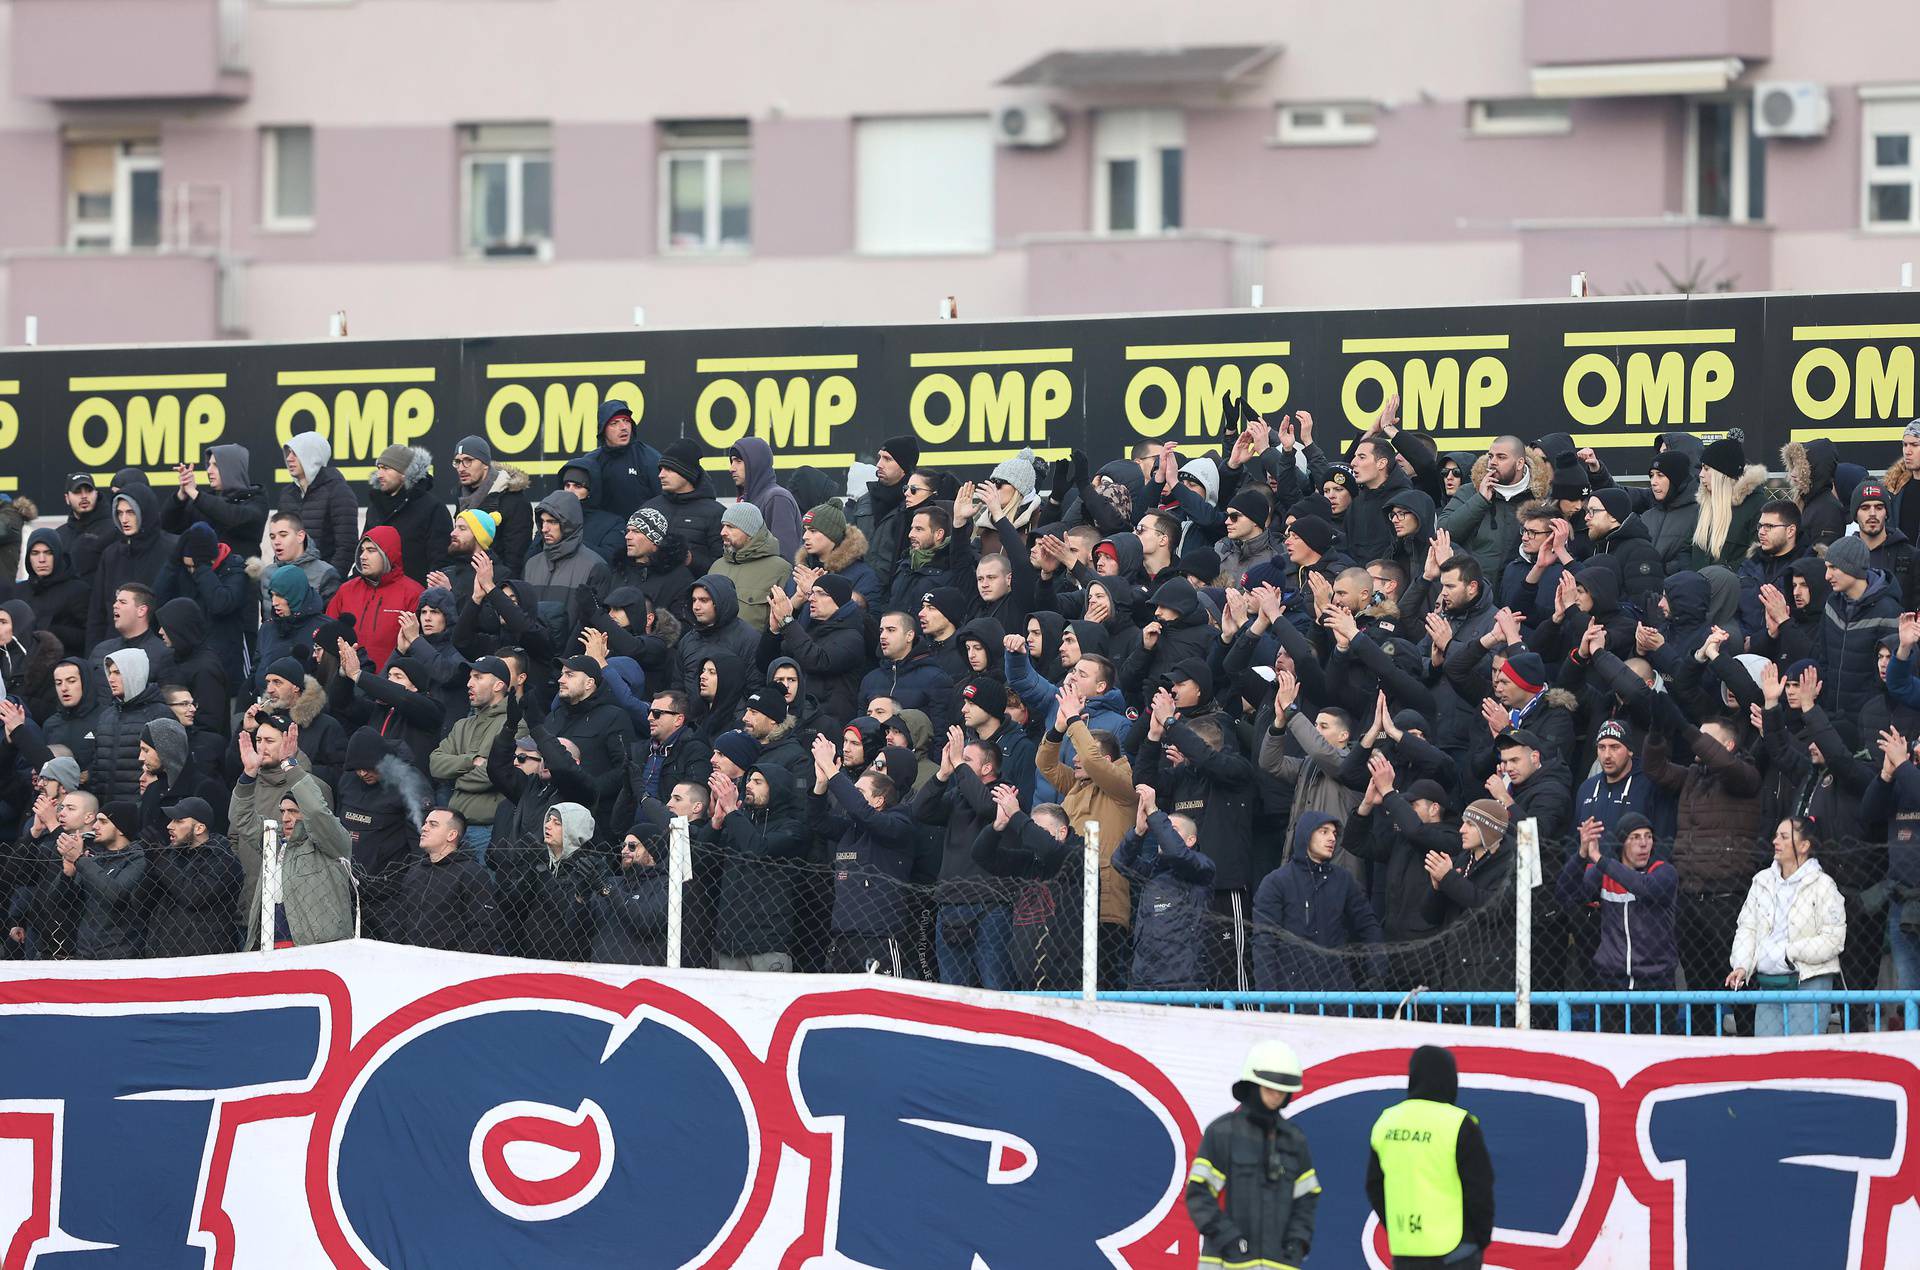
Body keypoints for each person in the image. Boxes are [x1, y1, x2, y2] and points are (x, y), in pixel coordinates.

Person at [1185, 1039, 1319, 1270]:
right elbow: (1199, 1194)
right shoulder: (1222, 1132)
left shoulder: (1294, 1139)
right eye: (1269, 1089)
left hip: (1279, 1264)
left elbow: (1307, 1199)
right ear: (1253, 1085)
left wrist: (1296, 1244)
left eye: (1282, 1091)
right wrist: (1230, 1240)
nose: (1276, 1096)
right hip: (1226, 1263)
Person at [1367, 1045, 1496, 1270]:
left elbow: (1374, 1185)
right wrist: (1479, 1239)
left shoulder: (1387, 1122)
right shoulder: (1458, 1124)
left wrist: (1397, 1229)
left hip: (1406, 1248)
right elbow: (1480, 1188)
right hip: (1455, 1250)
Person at [230, 716, 354, 950]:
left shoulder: (334, 845)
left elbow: (317, 813)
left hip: (314, 950)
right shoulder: (274, 843)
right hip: (267, 946)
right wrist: (247, 776)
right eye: (283, 811)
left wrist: (289, 763)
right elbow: (241, 820)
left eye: (294, 811)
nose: (285, 818)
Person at [1727, 817, 1847, 1036]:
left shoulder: (1824, 885)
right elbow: (1747, 928)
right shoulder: (1761, 881)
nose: (1775, 841)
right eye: (1775, 836)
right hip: (1769, 985)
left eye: (1783, 837)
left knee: (1803, 1063)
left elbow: (1833, 939)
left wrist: (1787, 953)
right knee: (1768, 1060)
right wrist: (1741, 965)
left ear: (1804, 846)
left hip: (1810, 984)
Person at [1110, 784, 1215, 990]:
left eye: (1171, 829)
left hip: (1183, 983)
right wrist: (1139, 831)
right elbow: (1119, 862)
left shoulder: (1201, 868)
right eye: (1161, 829)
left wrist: (1155, 813)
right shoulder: (1152, 871)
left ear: (1191, 840)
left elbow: (1178, 853)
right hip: (1143, 981)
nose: (1162, 834)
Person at [143, 796, 243, 957]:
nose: (169, 826)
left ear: (199, 828)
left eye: (178, 821)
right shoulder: (170, 856)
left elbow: (194, 896)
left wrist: (161, 861)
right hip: (163, 953)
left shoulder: (222, 858)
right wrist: (150, 864)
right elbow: (141, 903)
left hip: (204, 957)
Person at [326, 527, 425, 672]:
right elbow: (327, 636)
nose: (363, 556)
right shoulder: (346, 590)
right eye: (362, 550)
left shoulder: (414, 593)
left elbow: (419, 648)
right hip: (345, 681)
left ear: (388, 554)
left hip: (389, 684)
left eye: (371, 550)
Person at [399, 807, 496, 954]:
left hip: (451, 967)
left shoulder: (472, 873)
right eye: (425, 823)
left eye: (433, 824)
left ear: (451, 835)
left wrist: (455, 959)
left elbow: (485, 927)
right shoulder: (415, 871)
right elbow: (399, 918)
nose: (424, 828)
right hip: (409, 960)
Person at [364, 445, 452, 586]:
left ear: (405, 472)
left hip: (416, 597)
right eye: (379, 468)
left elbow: (440, 560)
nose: (379, 474)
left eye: (386, 468)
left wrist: (429, 599)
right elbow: (364, 550)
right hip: (375, 594)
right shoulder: (374, 507)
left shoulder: (432, 508)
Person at [281, 430, 362, 578]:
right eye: (288, 453)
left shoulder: (338, 491)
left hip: (323, 586)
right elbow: (281, 540)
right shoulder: (287, 494)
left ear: (312, 455)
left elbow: (347, 546)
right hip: (290, 582)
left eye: (295, 453)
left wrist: (327, 581)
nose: (289, 458)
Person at [452, 435, 535, 579]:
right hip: (466, 585)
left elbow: (515, 560)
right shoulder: (461, 497)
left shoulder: (514, 501)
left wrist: (501, 592)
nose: (461, 468)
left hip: (497, 587)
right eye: (457, 462)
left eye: (468, 461)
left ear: (485, 463)